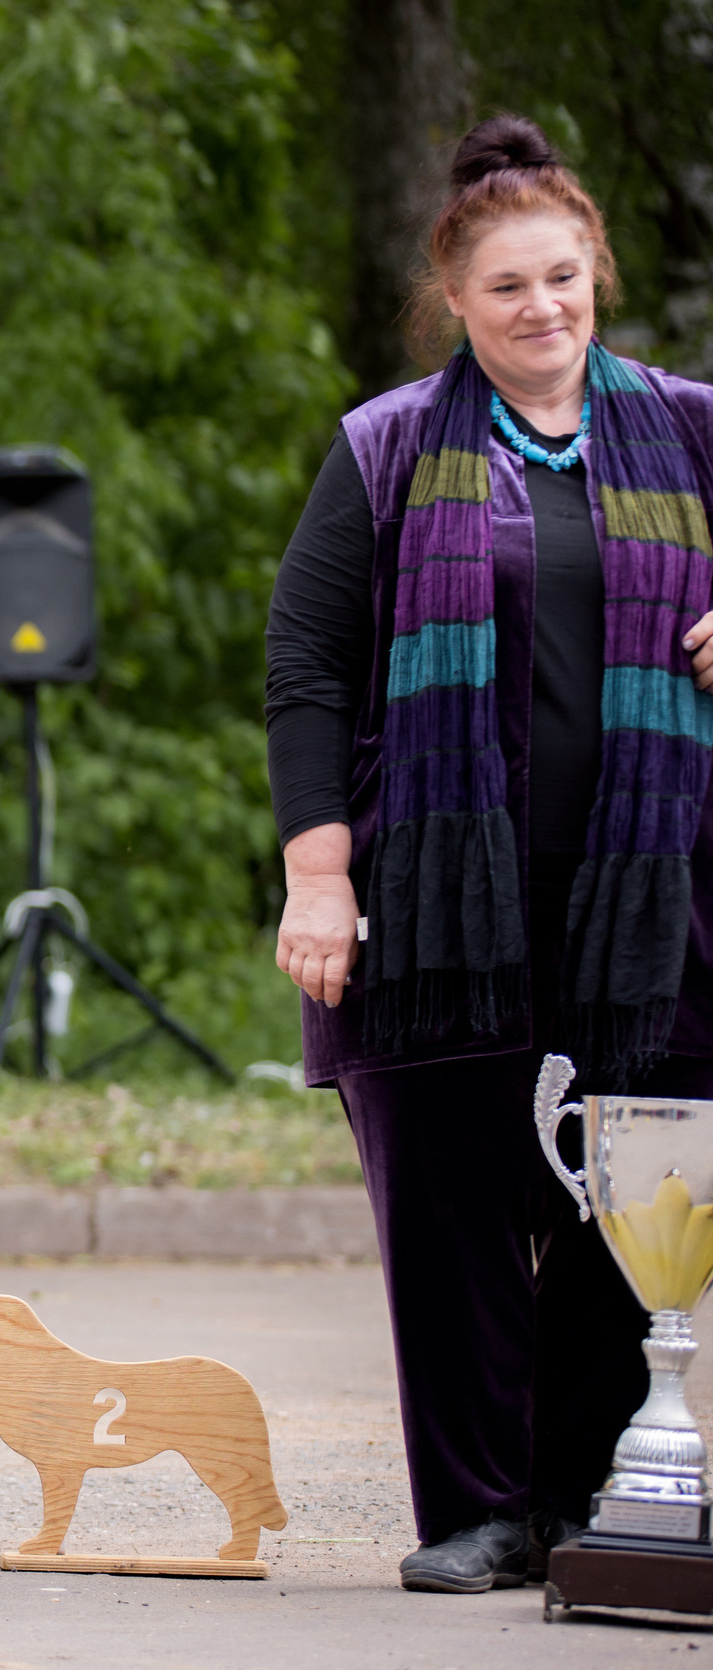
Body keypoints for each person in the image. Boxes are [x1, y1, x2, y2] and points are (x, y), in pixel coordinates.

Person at [266, 115, 713, 1594]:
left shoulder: (695, 427)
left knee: (634, 1198)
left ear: (600, 276)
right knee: (453, 1209)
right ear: (454, 299)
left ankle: (594, 1495)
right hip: (436, 907)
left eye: (566, 277)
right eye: (509, 285)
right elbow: (310, 668)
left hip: (655, 902)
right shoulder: (387, 447)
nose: (545, 308)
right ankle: (477, 1512)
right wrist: (317, 876)